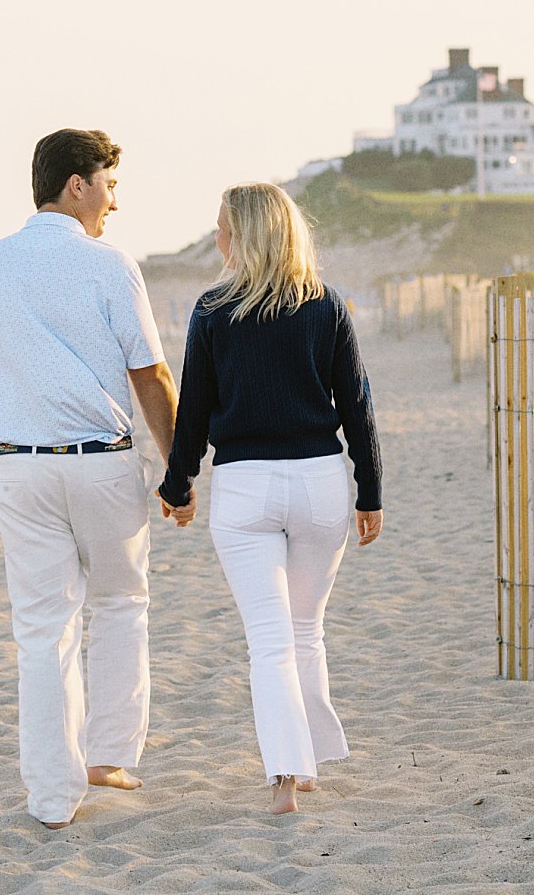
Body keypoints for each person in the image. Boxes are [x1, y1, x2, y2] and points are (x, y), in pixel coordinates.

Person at [0, 128, 181, 829]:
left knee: (43, 629)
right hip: (102, 460)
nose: (113, 201)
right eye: (108, 184)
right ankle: (107, 753)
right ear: (76, 184)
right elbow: (151, 373)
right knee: (121, 603)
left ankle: (52, 796)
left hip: (20, 468)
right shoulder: (109, 263)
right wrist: (177, 469)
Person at [155, 181, 383, 816]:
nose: (218, 240)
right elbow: (356, 404)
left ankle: (287, 775)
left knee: (270, 640)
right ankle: (304, 765)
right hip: (318, 482)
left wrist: (177, 487)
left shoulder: (212, 311)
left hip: (246, 486)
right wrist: (371, 490)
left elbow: (193, 413)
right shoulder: (326, 306)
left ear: (246, 236)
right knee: (305, 630)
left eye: (223, 229)